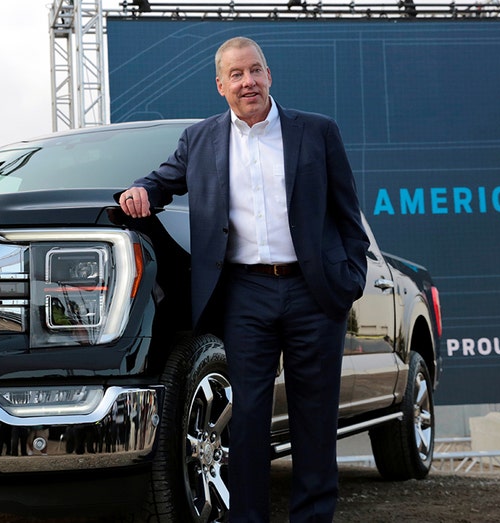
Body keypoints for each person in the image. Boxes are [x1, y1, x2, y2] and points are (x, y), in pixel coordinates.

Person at [118, 36, 369, 522]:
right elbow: (161, 181)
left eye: (255, 71)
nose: (248, 82)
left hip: (313, 294)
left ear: (269, 75)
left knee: (314, 419)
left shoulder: (316, 132)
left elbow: (347, 213)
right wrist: (139, 191)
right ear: (220, 85)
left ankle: (313, 517)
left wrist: (348, 278)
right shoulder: (200, 140)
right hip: (244, 295)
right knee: (249, 417)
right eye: (236, 75)